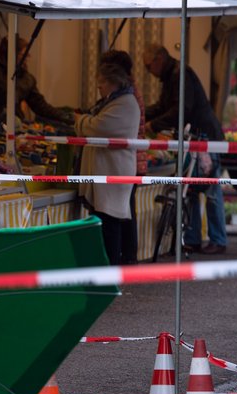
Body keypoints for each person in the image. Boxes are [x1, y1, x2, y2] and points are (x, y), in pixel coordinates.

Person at [143, 44, 227, 255]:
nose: (148, 71)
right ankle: (193, 238)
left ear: (159, 59)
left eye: (147, 66)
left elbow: (181, 109)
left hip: (204, 137)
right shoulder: (174, 75)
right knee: (193, 188)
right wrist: (144, 115)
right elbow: (166, 107)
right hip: (198, 136)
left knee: (209, 188)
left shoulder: (180, 75)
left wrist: (152, 124)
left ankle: (217, 239)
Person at [74, 63, 140, 266]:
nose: (98, 87)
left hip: (113, 173)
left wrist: (80, 120)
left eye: (101, 82)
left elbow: (99, 127)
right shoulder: (116, 102)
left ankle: (109, 269)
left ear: (113, 82)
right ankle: (106, 268)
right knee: (105, 222)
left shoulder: (125, 104)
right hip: (108, 172)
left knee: (110, 223)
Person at [100, 50, 146, 264]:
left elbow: (108, 127)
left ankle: (127, 260)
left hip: (126, 161)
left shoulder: (126, 96)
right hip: (133, 159)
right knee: (125, 213)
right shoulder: (130, 91)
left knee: (120, 215)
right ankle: (128, 259)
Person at [0, 37, 72, 126]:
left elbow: (41, 107)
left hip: (16, 129)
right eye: (22, 54)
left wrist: (67, 117)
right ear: (11, 54)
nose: (26, 58)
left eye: (27, 55)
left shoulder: (27, 79)